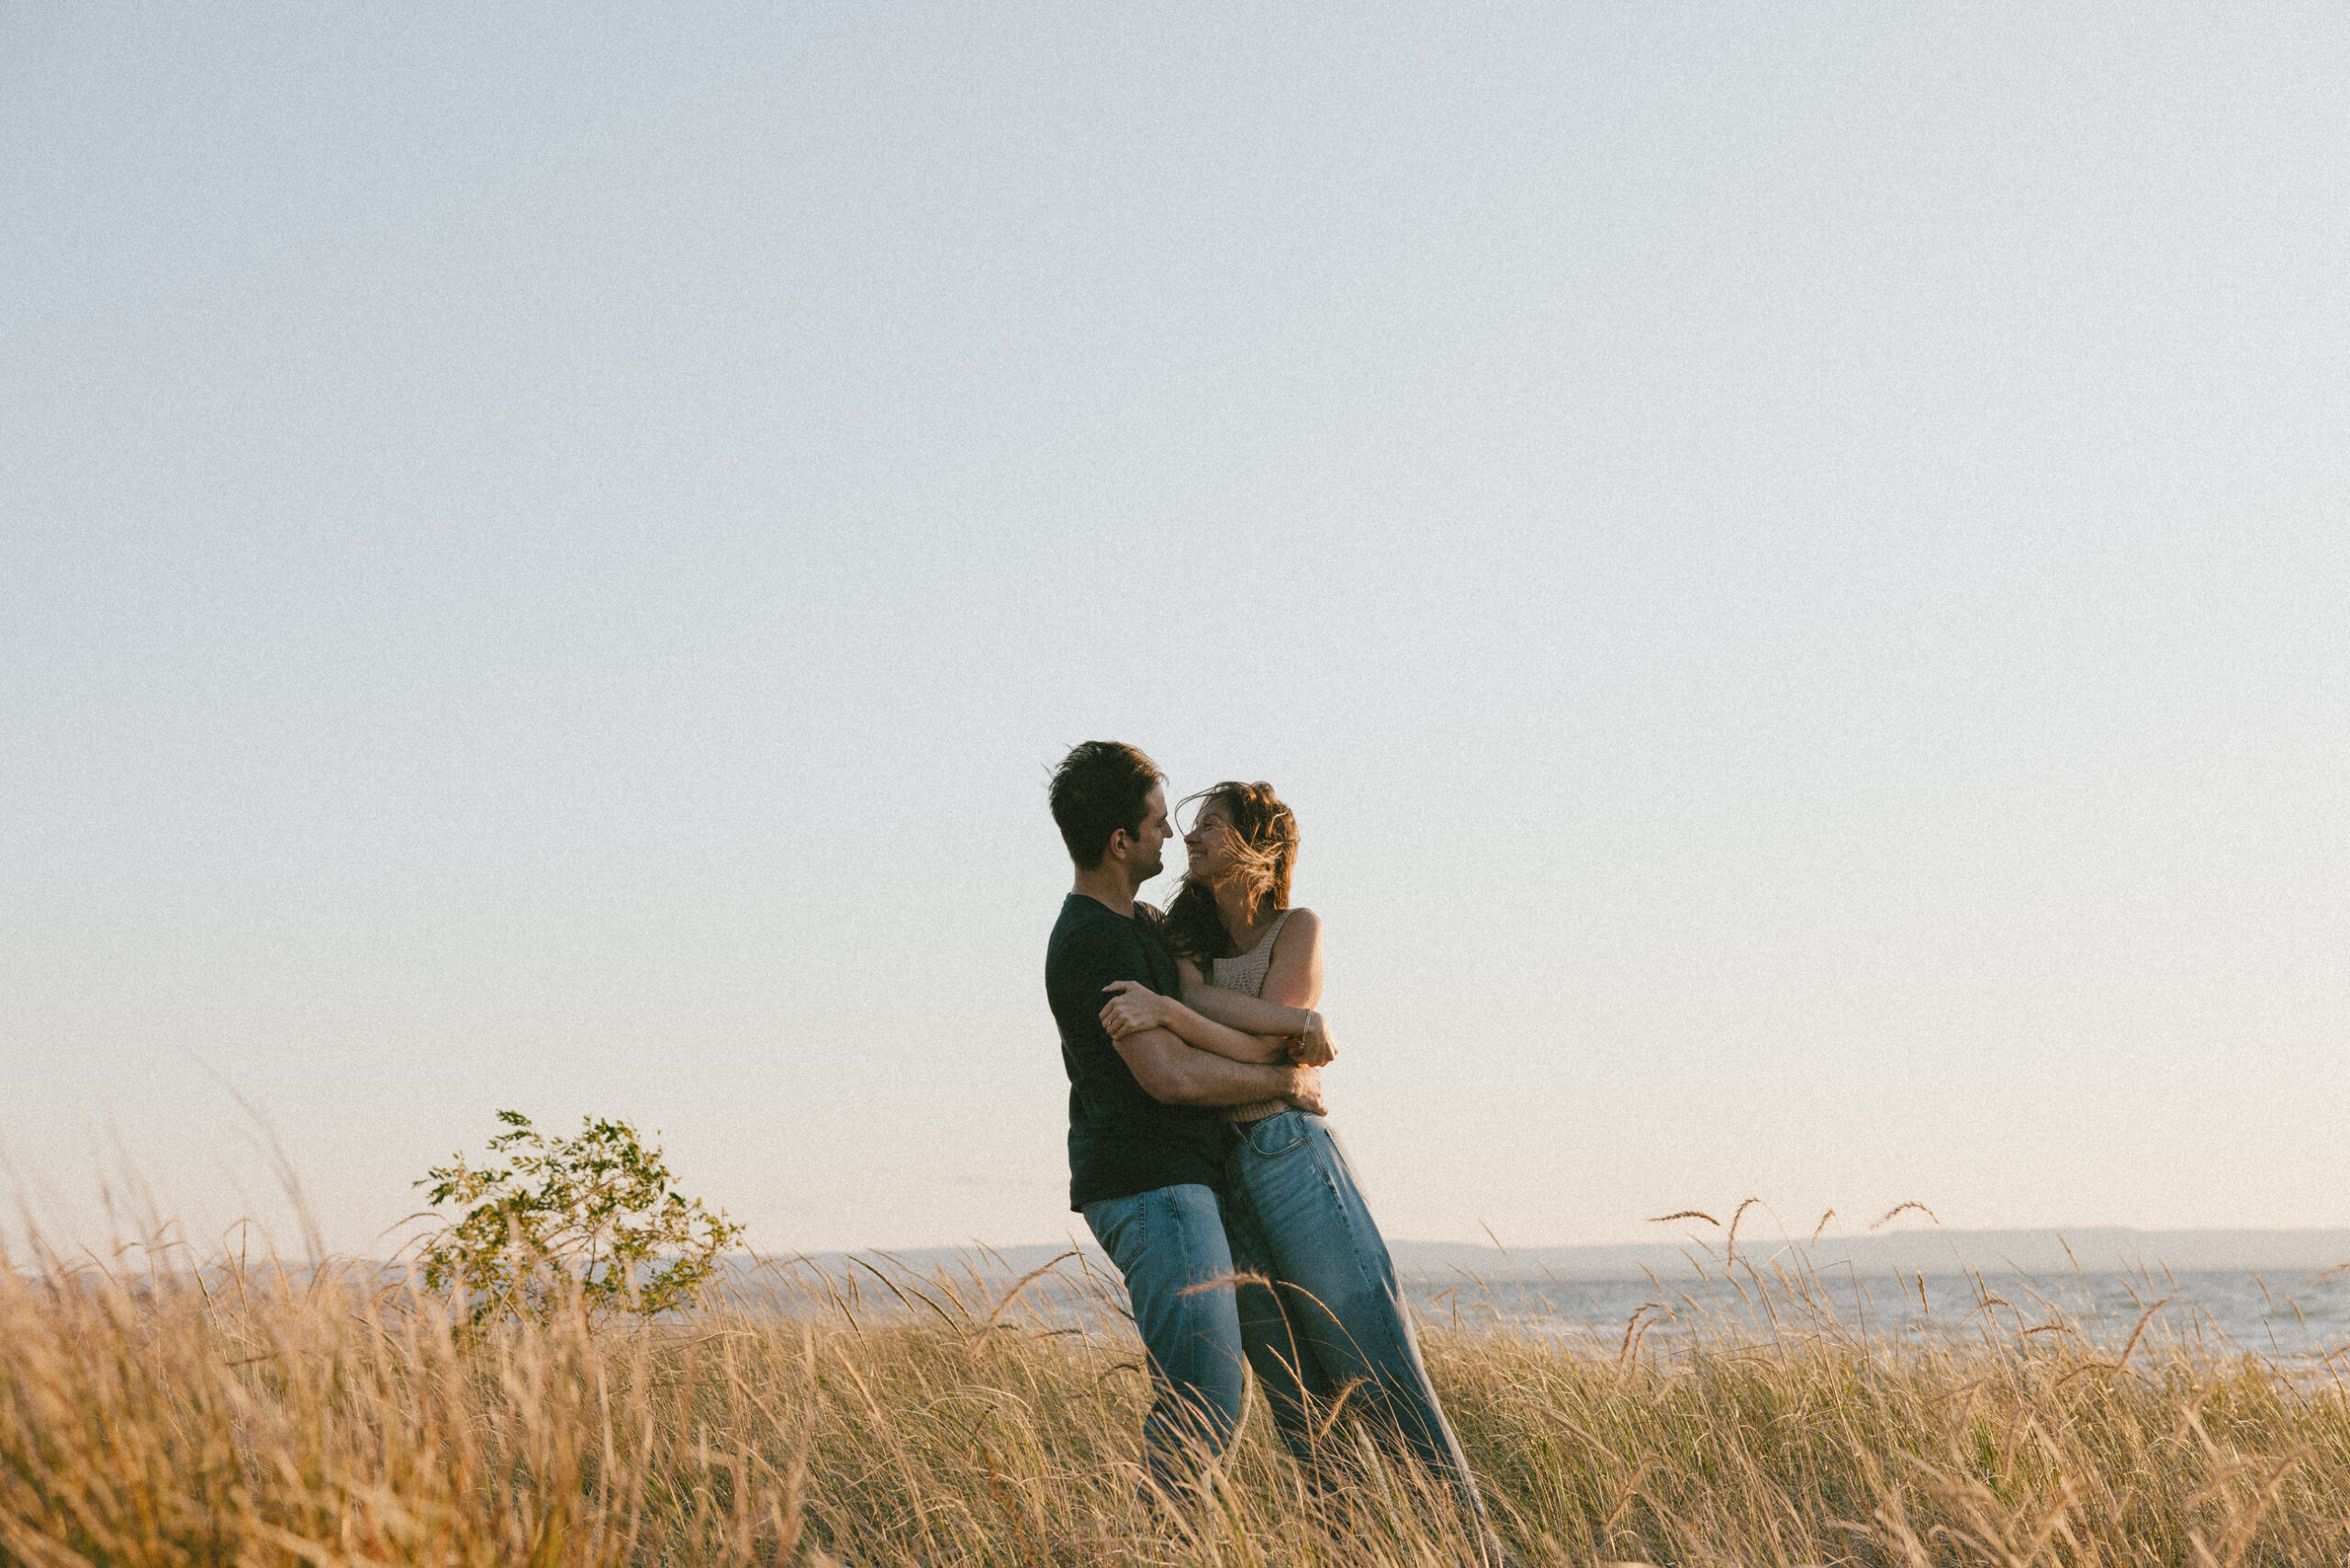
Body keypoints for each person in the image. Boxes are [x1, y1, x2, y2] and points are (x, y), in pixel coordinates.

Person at [1097, 780, 1489, 1529]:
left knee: (1376, 1367)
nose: (1192, 838)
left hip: (1289, 1155)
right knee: (1297, 1400)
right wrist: (1290, 1025)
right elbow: (1267, 1039)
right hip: (1219, 1177)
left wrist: (1207, 1016)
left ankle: (1469, 1547)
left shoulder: (1297, 927)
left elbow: (1257, 1037)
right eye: (1190, 826)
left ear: (1260, 848)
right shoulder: (1181, 941)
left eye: (1210, 825)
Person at [1043, 742, 1333, 1495]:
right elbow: (1167, 1076)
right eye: (1155, 824)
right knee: (1204, 1404)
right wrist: (1283, 1080)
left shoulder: (1138, 924)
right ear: (1119, 842)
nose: (1170, 837)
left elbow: (1201, 1008)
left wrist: (1290, 1027)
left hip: (1179, 1188)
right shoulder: (1095, 940)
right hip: (1151, 1189)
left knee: (1221, 1399)